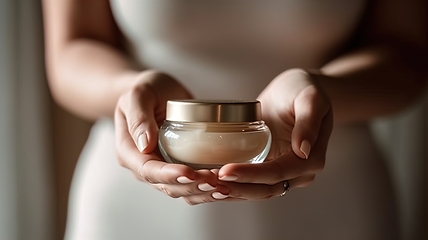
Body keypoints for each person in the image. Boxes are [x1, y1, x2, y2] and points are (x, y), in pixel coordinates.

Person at [43, 0, 427, 239]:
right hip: (136, 199)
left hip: (331, 197)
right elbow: (72, 49)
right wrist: (129, 89)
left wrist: (322, 91)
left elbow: (405, 55)